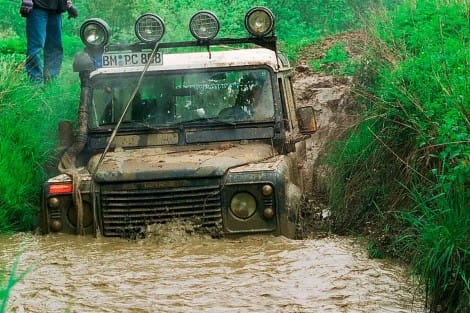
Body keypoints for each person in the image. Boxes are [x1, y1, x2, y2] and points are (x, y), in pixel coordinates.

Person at [19, 0, 78, 83]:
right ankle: (35, 83)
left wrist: (68, 4)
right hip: (37, 8)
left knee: (54, 47)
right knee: (36, 47)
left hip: (56, 10)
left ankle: (51, 81)